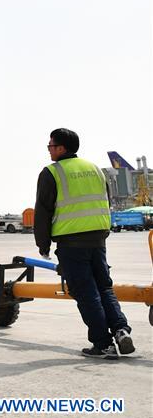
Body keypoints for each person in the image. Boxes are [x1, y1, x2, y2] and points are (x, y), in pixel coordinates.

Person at [34, 128, 133, 359]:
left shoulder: (52, 172)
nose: (48, 150)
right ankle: (120, 330)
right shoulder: (95, 169)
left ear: (61, 148)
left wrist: (43, 245)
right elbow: (105, 202)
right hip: (98, 239)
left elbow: (43, 212)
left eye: (50, 146)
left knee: (87, 293)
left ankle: (103, 344)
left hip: (71, 242)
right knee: (104, 287)